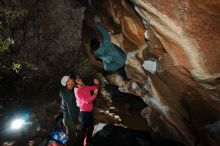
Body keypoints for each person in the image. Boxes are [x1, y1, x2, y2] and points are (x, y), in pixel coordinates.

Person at [90, 16, 127, 80]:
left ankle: (125, 78)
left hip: (117, 65)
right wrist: (97, 23)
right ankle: (124, 77)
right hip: (123, 57)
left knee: (120, 70)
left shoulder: (97, 53)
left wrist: (106, 63)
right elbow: (105, 33)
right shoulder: (106, 43)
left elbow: (106, 67)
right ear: (99, 42)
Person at [74, 76, 99, 146]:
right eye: (78, 80)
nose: (81, 80)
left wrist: (97, 84)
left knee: (91, 127)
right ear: (76, 84)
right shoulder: (78, 91)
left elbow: (94, 87)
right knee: (83, 130)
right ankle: (79, 144)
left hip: (90, 111)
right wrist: (94, 94)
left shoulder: (85, 87)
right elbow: (86, 101)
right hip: (84, 113)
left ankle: (88, 142)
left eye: (80, 79)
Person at [60, 75, 80, 146]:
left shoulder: (63, 91)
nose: (72, 79)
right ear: (67, 82)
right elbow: (71, 110)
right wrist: (76, 122)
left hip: (66, 118)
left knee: (70, 137)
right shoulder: (69, 94)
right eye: (70, 79)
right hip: (70, 119)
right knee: (71, 139)